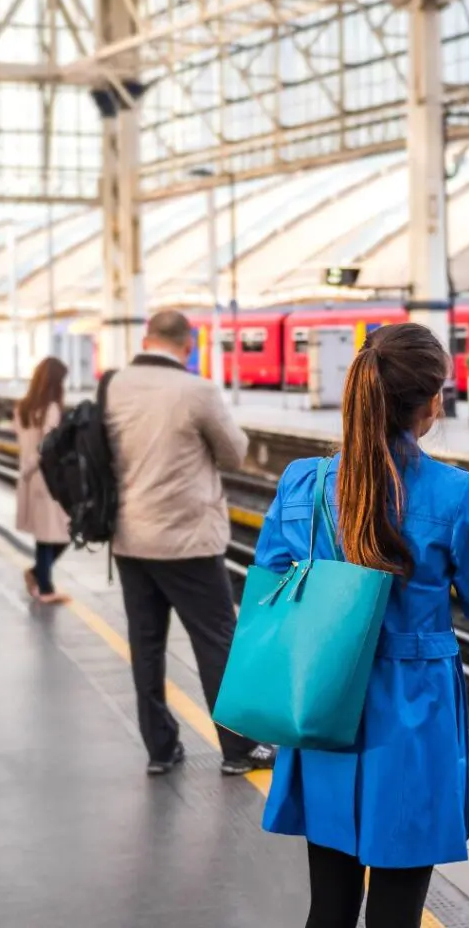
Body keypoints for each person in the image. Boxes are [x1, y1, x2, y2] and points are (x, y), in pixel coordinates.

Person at [256, 323, 469, 928]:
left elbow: (269, 580)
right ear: (429, 403)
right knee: (397, 910)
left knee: (329, 905)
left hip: (324, 699)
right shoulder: (452, 493)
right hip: (413, 711)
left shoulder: (303, 482)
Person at [106, 309, 274, 777]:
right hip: (188, 541)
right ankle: (239, 749)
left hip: (130, 536)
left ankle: (160, 750)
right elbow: (234, 453)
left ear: (146, 339)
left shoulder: (114, 385)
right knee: (216, 640)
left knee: (146, 645)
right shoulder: (195, 391)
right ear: (188, 344)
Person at [14, 357, 72, 604]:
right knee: (62, 532)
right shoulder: (52, 409)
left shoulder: (22, 408)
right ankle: (45, 586)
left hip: (29, 479)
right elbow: (47, 447)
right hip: (47, 479)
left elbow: (24, 442)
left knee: (44, 534)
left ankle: (39, 577)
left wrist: (26, 469)